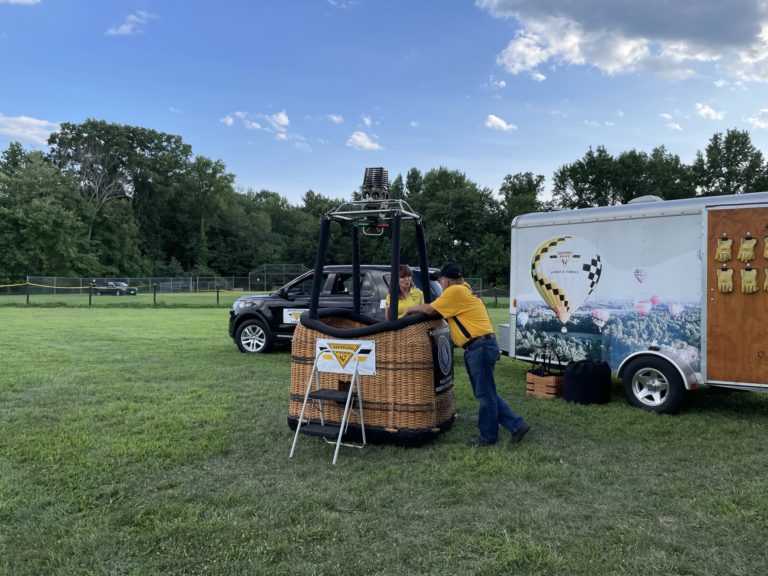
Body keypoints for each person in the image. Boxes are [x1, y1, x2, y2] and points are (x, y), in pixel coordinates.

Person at [403, 262, 530, 447]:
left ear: (446, 281)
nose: (439, 284)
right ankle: (517, 424)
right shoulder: (466, 289)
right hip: (481, 346)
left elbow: (430, 309)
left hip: (480, 347)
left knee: (485, 394)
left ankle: (488, 436)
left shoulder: (455, 292)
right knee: (486, 391)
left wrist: (410, 309)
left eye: (440, 281)